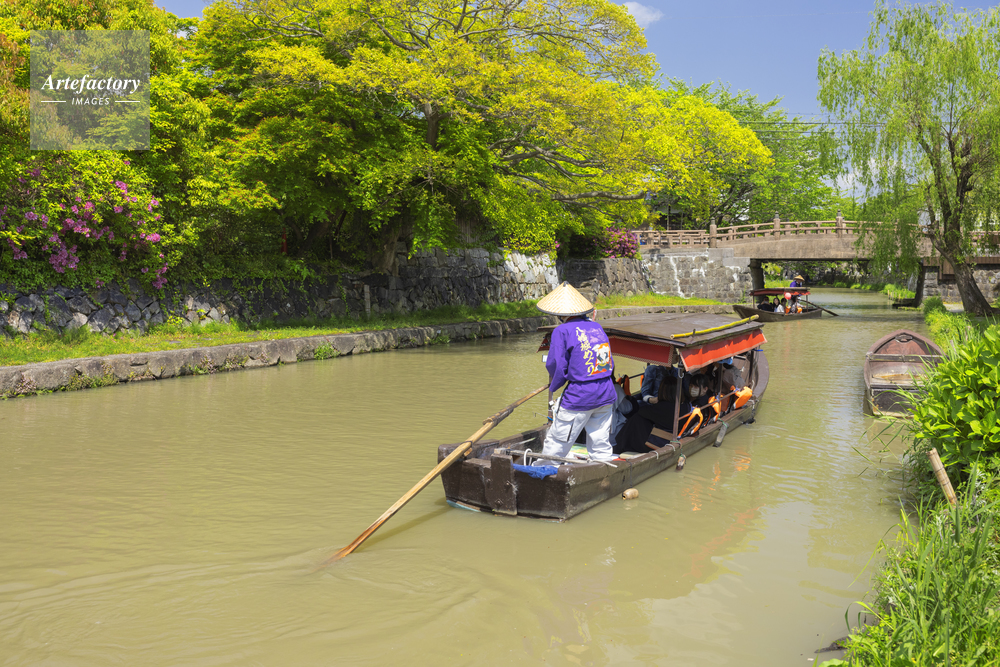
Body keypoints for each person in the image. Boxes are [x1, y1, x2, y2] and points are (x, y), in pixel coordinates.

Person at [535, 282, 617, 463]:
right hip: (606, 391)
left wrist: (555, 384)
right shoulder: (597, 327)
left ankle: (544, 469)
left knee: (558, 441)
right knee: (600, 443)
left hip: (580, 395)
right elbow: (608, 362)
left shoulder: (562, 330)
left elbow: (556, 364)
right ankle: (603, 465)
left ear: (561, 313)